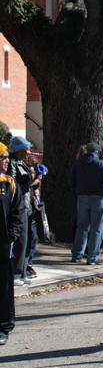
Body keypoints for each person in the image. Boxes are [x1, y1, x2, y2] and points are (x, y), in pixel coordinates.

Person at [69, 142, 103, 265]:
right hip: (98, 197)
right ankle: (92, 257)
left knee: (82, 227)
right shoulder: (101, 165)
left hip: (81, 197)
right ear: (98, 152)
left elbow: (71, 182)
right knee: (97, 228)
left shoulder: (77, 164)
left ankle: (77, 254)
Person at [0, 142, 24, 345]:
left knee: (4, 287)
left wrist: (12, 236)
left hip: (3, 244)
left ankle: (4, 326)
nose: (7, 161)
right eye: (3, 157)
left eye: (7, 157)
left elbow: (17, 213)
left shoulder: (10, 183)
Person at [7, 136, 37, 286]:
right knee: (21, 240)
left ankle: (24, 271)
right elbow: (13, 188)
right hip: (20, 207)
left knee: (30, 239)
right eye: (26, 149)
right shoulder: (12, 164)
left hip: (28, 205)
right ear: (18, 150)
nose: (29, 151)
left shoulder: (22, 164)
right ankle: (15, 273)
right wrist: (31, 183)